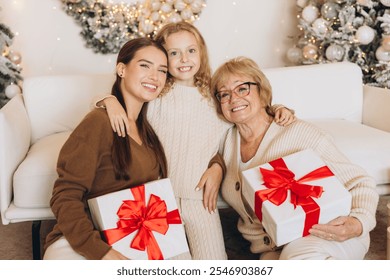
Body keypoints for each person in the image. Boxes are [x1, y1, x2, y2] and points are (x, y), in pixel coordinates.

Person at [95, 21, 296, 260]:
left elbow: (246, 108)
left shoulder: (214, 94)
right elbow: (126, 93)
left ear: (201, 52)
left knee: (213, 262)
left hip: (200, 198)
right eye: (174, 53)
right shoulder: (157, 92)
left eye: (191, 50)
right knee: (176, 262)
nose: (184, 59)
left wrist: (278, 109)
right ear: (163, 59)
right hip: (158, 198)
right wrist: (108, 101)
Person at [211, 56, 379, 260]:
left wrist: (358, 223)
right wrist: (215, 165)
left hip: (331, 231)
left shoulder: (298, 132)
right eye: (224, 94)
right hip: (276, 249)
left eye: (242, 88)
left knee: (299, 260)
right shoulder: (227, 140)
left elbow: (360, 182)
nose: (234, 98)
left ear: (262, 92)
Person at [43, 37, 172, 260]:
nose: (155, 76)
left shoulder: (148, 131)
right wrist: (102, 253)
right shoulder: (98, 122)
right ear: (122, 69)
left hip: (130, 238)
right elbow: (64, 195)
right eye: (144, 65)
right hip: (83, 242)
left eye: (162, 70)